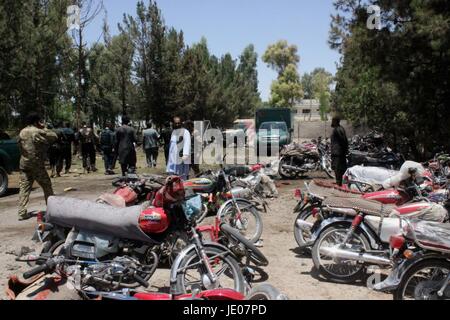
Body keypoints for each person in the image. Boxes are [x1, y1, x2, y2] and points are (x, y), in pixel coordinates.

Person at [17, 112, 58, 221]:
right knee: (46, 185)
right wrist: (44, 127)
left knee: (24, 188)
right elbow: (54, 136)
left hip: (24, 164)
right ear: (37, 121)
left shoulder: (22, 132)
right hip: (36, 164)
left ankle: (22, 213)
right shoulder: (38, 131)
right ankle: (52, 210)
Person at [330, 117, 349, 186]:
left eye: (333, 121)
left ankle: (339, 184)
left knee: (338, 170)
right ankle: (341, 183)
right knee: (340, 169)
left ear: (335, 121)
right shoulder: (340, 129)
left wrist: (343, 150)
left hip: (337, 153)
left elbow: (343, 140)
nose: (331, 122)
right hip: (340, 152)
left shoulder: (337, 129)